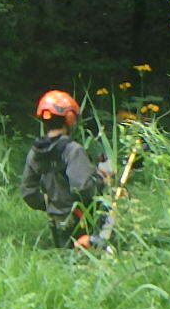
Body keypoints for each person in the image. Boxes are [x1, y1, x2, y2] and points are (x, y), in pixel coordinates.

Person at [19, 89, 110, 248]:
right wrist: (102, 179)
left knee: (66, 253)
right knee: (115, 196)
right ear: (70, 118)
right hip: (80, 219)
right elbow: (84, 188)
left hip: (56, 222)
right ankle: (99, 244)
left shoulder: (35, 151)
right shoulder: (73, 149)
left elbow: (29, 193)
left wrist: (52, 204)